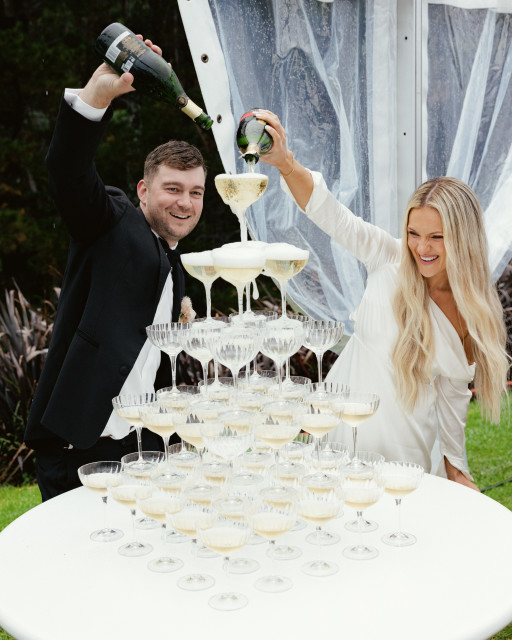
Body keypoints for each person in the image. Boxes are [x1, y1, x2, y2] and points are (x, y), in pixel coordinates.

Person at [257, 109, 510, 490]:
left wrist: (458, 471)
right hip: (339, 441)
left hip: (407, 458)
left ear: (463, 238)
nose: (421, 248)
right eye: (413, 233)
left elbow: (452, 402)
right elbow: (333, 215)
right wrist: (285, 163)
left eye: (436, 237)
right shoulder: (388, 257)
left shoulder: (472, 313)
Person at [25, 36, 206, 501]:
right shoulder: (112, 220)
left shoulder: (174, 263)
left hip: (142, 448)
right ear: (144, 190)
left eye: (196, 192)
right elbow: (68, 171)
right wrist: (95, 97)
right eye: (172, 188)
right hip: (78, 450)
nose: (185, 202)